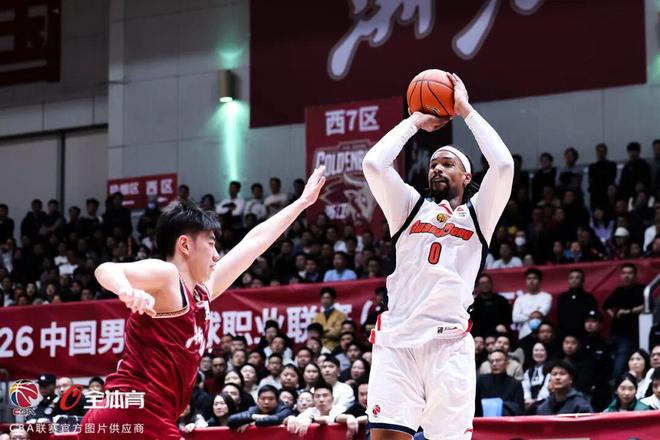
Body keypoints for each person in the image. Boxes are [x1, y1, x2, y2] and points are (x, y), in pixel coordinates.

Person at [79, 166, 326, 440]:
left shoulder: (201, 292)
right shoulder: (167, 276)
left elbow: (253, 243)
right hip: (135, 412)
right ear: (185, 245)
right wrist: (126, 289)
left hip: (141, 416)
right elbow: (106, 269)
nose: (217, 255)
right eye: (211, 244)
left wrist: (302, 203)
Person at [362, 73, 514, 439]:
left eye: (447, 164)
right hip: (397, 342)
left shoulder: (479, 215)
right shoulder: (409, 207)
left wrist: (465, 111)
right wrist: (415, 120)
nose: (437, 168)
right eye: (433, 164)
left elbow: (504, 166)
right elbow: (374, 164)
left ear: (467, 176)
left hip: (448, 346)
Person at [603, 263, 645, 379]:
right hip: (615, 331)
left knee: (620, 365)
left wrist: (629, 311)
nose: (626, 276)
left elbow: (647, 305)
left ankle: (616, 385)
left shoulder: (642, 289)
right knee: (608, 362)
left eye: (629, 273)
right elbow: (606, 305)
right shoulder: (619, 290)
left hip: (630, 333)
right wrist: (613, 314)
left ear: (635, 275)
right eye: (624, 273)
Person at [285, 383, 359, 438]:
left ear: (332, 398)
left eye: (325, 395)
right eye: (317, 396)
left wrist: (312, 420)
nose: (321, 399)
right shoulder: (310, 411)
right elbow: (293, 420)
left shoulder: (340, 409)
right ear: (313, 399)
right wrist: (290, 418)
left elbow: (332, 419)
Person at [581, 309, 613, 411]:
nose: (589, 324)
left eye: (593, 321)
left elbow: (607, 369)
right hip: (581, 387)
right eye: (587, 321)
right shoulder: (580, 344)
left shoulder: (605, 345)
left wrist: (595, 385)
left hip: (599, 389)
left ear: (600, 325)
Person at [476, 350, 524, 416]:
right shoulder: (480, 380)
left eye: (498, 360)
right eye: (491, 361)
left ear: (506, 362)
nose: (494, 364)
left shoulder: (515, 383)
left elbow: (519, 408)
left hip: (506, 419)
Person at [226, 385, 294, 431]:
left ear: (277, 400)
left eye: (271, 399)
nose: (266, 402)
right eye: (263, 399)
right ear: (257, 400)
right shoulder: (253, 410)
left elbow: (276, 419)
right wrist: (255, 416)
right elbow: (231, 420)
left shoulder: (285, 409)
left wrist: (252, 423)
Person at [512, 268, 552, 339]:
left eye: (534, 278)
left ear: (540, 280)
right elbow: (515, 318)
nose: (531, 281)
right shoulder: (520, 299)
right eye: (529, 278)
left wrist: (524, 315)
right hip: (524, 334)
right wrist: (534, 315)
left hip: (542, 335)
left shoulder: (546, 296)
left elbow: (541, 314)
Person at [556, 269, 597, 338]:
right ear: (568, 280)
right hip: (565, 334)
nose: (574, 280)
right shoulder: (562, 297)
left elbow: (592, 317)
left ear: (583, 280)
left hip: (583, 334)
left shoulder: (588, 297)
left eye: (577, 278)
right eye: (571, 278)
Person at [314, 287, 347, 351]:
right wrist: (328, 329)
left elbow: (337, 332)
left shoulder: (341, 315)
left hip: (334, 348)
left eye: (327, 298)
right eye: (323, 298)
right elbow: (314, 332)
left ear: (333, 300)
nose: (325, 301)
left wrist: (321, 332)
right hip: (320, 348)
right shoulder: (317, 316)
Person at [522, 342, 550, 413]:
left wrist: (536, 401)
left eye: (542, 350)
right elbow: (525, 387)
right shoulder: (529, 371)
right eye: (536, 350)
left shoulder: (550, 369)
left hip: (545, 402)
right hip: (529, 403)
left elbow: (546, 389)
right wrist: (527, 399)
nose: (539, 353)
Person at [588, 143, 617, 210]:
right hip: (596, 196)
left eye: (603, 151)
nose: (601, 153)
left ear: (606, 152)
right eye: (599, 151)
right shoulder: (592, 167)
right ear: (596, 153)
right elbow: (591, 181)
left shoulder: (612, 165)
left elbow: (612, 178)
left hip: (608, 195)